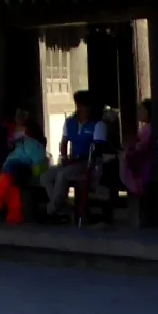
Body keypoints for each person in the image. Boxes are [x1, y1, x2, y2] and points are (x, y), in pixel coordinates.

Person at [39, 90, 108, 218]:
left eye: (86, 106)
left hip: (87, 163)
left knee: (62, 175)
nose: (82, 109)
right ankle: (61, 207)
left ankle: (51, 210)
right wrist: (64, 157)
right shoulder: (70, 122)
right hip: (72, 161)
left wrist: (77, 160)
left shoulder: (98, 125)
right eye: (80, 105)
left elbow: (98, 150)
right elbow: (65, 141)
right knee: (46, 177)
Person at [0, 110, 47, 226]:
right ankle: (14, 215)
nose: (15, 133)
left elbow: (40, 163)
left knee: (10, 176)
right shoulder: (17, 144)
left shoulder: (34, 145)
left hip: (25, 169)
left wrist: (36, 172)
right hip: (13, 168)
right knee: (12, 186)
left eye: (19, 130)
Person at [121, 97, 158, 227]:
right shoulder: (146, 128)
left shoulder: (150, 129)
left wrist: (130, 149)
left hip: (146, 167)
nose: (139, 113)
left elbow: (143, 148)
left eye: (141, 110)